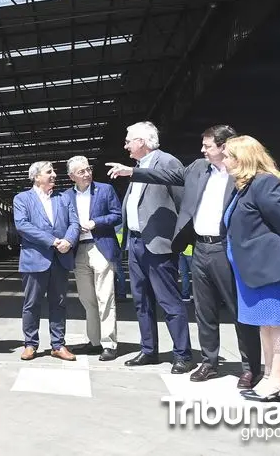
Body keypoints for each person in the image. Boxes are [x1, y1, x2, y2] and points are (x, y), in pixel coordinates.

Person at [107, 124, 258, 385]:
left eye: (207, 146)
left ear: (224, 147)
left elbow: (179, 198)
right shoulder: (199, 168)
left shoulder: (240, 174)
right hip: (195, 247)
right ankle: (208, 362)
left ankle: (248, 366)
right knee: (203, 310)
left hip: (223, 248)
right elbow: (175, 180)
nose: (201, 150)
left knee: (235, 308)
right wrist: (132, 171)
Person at [221, 136, 280, 400]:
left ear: (242, 159)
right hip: (251, 270)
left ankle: (279, 380)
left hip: (270, 268)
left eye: (227, 156)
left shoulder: (265, 183)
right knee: (266, 325)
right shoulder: (244, 187)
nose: (223, 161)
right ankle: (270, 376)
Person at [115, 121, 193, 373]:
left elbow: (183, 199)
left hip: (159, 245)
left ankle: (183, 354)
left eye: (128, 140)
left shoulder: (166, 162)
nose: (125, 145)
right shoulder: (137, 167)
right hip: (136, 243)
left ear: (142, 142)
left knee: (169, 301)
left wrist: (179, 238)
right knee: (142, 301)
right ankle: (148, 350)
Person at [13, 161, 80, 361]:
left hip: (60, 258)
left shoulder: (64, 198)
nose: (54, 175)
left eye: (53, 172)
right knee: (31, 303)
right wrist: (53, 241)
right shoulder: (22, 199)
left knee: (58, 303)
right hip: (35, 259)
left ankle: (58, 345)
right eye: (49, 172)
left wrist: (68, 240)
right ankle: (30, 344)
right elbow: (22, 225)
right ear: (36, 176)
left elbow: (74, 222)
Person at [65, 155, 122, 361]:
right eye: (81, 172)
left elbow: (118, 215)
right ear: (72, 176)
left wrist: (95, 222)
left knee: (105, 297)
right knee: (87, 299)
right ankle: (95, 341)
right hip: (79, 249)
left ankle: (109, 343)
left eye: (88, 169)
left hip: (101, 247)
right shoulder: (65, 197)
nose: (87, 174)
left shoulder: (105, 190)